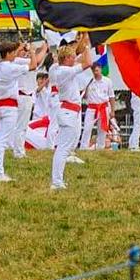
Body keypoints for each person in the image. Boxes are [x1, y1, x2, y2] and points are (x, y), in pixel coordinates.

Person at [0, 40, 48, 182]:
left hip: (1, 105)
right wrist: (33, 52)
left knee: (0, 139)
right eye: (13, 52)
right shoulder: (10, 68)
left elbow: (14, 57)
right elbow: (33, 65)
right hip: (9, 107)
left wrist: (21, 48)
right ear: (8, 53)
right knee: (2, 141)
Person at [49, 37, 93, 190]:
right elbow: (88, 63)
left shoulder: (59, 68)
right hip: (68, 111)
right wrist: (86, 46)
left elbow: (80, 59)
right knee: (63, 149)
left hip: (69, 111)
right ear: (66, 58)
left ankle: (58, 180)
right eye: (72, 58)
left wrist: (81, 42)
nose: (75, 60)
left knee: (65, 148)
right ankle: (56, 182)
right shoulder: (64, 71)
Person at [80, 64, 114, 150]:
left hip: (103, 107)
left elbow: (111, 96)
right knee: (87, 128)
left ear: (101, 69)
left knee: (102, 129)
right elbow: (84, 96)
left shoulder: (107, 81)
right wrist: (86, 89)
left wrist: (112, 110)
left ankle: (100, 148)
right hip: (92, 108)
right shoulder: (89, 81)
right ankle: (84, 147)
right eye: (94, 71)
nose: (96, 72)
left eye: (97, 70)